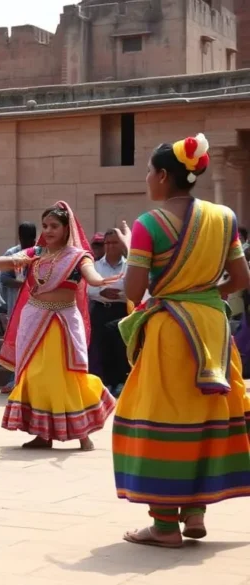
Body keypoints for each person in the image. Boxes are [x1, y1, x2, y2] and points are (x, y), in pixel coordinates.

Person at [112, 134, 250, 548]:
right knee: (206, 416)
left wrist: (138, 260)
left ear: (164, 175)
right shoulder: (224, 217)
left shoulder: (149, 224)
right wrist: (207, 294)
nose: (148, 180)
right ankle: (195, 513)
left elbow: (134, 290)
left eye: (150, 173)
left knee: (162, 418)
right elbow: (241, 279)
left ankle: (165, 526)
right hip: (213, 329)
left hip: (171, 331)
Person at [0, 202, 117, 451]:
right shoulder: (37, 253)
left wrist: (101, 280)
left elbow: (91, 276)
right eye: (45, 226)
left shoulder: (78, 256)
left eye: (54, 226)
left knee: (66, 375)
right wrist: (20, 259)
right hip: (35, 320)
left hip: (62, 323)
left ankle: (83, 434)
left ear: (66, 229)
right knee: (36, 375)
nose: (48, 230)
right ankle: (43, 434)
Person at [88, 229, 130, 397]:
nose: (111, 247)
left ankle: (121, 381)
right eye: (108, 243)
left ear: (122, 244)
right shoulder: (95, 266)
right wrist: (101, 292)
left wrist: (122, 294)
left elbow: (136, 286)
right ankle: (106, 382)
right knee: (101, 346)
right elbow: (88, 288)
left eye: (115, 243)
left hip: (122, 310)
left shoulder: (129, 265)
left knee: (121, 347)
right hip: (101, 309)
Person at [0, 222, 37, 393]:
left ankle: (31, 380)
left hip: (37, 307)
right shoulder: (13, 254)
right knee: (15, 343)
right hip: (15, 308)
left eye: (29, 238)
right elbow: (4, 278)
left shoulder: (39, 253)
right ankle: (13, 379)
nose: (25, 241)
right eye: (23, 237)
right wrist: (21, 284)